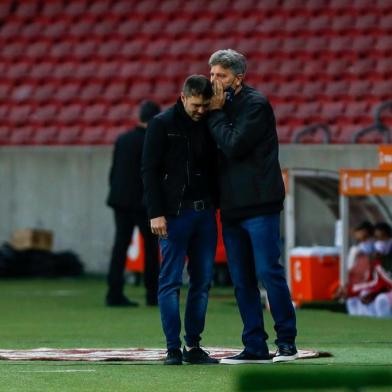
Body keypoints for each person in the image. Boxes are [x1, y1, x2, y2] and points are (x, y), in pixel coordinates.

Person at [206, 49, 297, 364]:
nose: (215, 81)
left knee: (268, 272)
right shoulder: (218, 107)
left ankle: (287, 343)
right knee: (242, 279)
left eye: (222, 75)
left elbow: (233, 144)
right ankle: (255, 346)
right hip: (231, 206)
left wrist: (215, 113)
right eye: (213, 74)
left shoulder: (255, 105)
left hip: (259, 203)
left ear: (239, 78)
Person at [142, 75, 219, 365]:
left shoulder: (211, 122)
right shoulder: (161, 125)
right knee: (171, 281)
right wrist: (155, 212)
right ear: (183, 97)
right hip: (174, 214)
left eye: (205, 106)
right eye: (196, 105)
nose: (200, 111)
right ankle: (173, 347)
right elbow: (148, 171)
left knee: (202, 282)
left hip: (205, 213)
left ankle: (194, 345)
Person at [106, 100, 161, 307]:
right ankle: (152, 294)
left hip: (120, 200)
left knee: (120, 246)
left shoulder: (123, 139)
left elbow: (114, 171)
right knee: (150, 248)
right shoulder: (152, 140)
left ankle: (114, 292)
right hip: (142, 203)